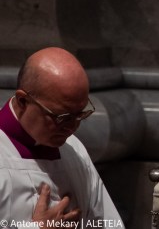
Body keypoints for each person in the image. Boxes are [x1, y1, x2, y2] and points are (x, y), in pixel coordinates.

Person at [0, 47, 124, 225]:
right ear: (23, 101)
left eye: (80, 114)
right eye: (61, 117)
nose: (72, 127)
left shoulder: (74, 149)